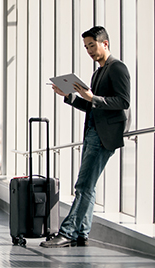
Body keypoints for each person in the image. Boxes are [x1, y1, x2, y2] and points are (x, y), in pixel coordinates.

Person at [40, 26, 131, 248]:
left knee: (83, 185)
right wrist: (70, 96)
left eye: (92, 45)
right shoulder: (98, 72)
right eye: (86, 47)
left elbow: (123, 102)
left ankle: (68, 233)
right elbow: (93, 106)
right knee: (88, 186)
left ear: (105, 43)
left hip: (103, 136)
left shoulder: (117, 68)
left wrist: (93, 97)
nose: (89, 50)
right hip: (92, 132)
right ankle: (81, 233)